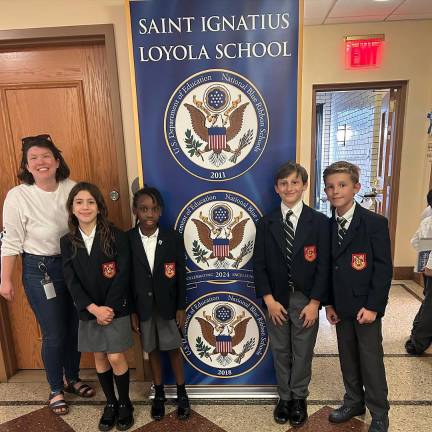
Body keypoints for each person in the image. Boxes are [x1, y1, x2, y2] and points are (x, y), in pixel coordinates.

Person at [0, 134, 94, 415]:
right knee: (54, 333)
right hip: (39, 270)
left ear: (56, 160)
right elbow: (11, 240)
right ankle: (55, 388)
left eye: (46, 157)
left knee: (76, 327)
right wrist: (5, 279)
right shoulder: (18, 196)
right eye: (34, 158)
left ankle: (72, 378)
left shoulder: (72, 188)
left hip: (73, 265)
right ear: (27, 166)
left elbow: (87, 227)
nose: (41, 162)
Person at [253, 161, 330, 427]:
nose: (289, 188)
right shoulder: (266, 223)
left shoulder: (319, 222)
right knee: (281, 349)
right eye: (284, 183)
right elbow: (259, 265)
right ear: (276, 188)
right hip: (276, 300)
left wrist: (315, 302)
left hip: (305, 299)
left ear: (305, 186)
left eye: (295, 182)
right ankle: (284, 398)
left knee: (303, 351)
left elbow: (323, 267)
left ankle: (299, 397)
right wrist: (269, 300)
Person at [323, 161, 392, 432]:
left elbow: (383, 269)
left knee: (370, 358)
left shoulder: (374, 223)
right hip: (341, 306)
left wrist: (374, 306)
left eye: (342, 185)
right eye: (330, 187)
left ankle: (379, 411)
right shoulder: (327, 226)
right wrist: (328, 302)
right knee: (347, 356)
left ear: (356, 188)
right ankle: (353, 401)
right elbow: (327, 268)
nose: (335, 191)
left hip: (365, 306)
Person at [60, 182, 134, 431]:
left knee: (115, 355)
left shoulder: (117, 236)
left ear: (99, 207)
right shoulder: (67, 242)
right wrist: (93, 309)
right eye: (79, 202)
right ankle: (110, 403)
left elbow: (123, 274)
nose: (85, 207)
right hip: (89, 310)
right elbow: (71, 281)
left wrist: (107, 308)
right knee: (99, 356)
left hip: (115, 308)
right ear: (71, 208)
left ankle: (125, 403)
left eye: (90, 202)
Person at [128, 186, 190, 421]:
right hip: (143, 307)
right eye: (144, 209)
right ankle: (160, 394)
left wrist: (181, 306)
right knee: (152, 349)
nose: (149, 214)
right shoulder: (129, 239)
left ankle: (183, 394)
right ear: (136, 211)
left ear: (161, 211)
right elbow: (126, 279)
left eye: (154, 209)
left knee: (173, 349)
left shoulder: (172, 237)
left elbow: (182, 276)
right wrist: (132, 311)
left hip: (167, 306)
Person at [405, 191, 432, 355]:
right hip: (430, 268)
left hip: (426, 265)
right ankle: (418, 342)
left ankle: (418, 335)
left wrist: (425, 259)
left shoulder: (427, 218)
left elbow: (415, 241)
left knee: (428, 301)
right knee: (430, 304)